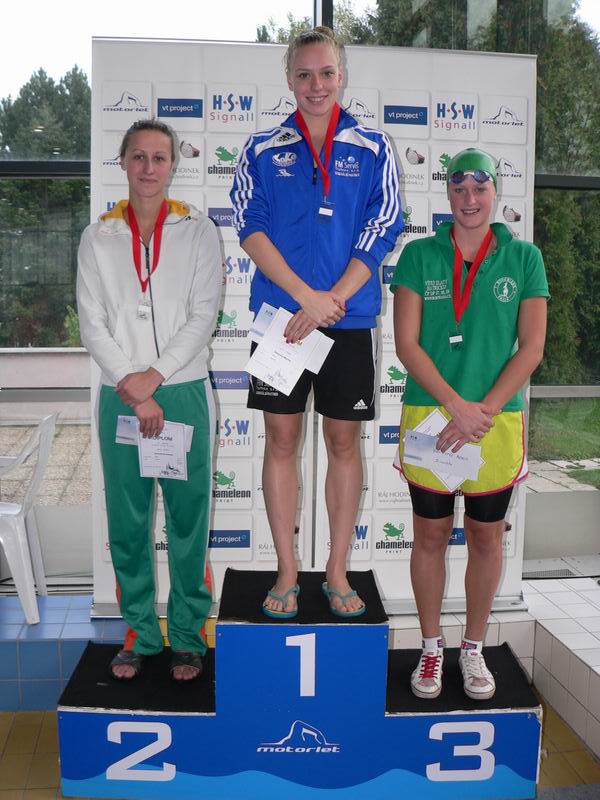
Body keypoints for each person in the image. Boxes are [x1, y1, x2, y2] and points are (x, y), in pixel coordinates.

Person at [230, 27, 402, 618]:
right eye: (304, 74)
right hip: (281, 320)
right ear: (289, 79)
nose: (316, 84)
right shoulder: (261, 147)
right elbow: (249, 224)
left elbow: (383, 225)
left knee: (342, 443)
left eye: (326, 72)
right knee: (280, 441)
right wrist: (306, 297)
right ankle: (286, 569)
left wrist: (332, 300)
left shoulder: (374, 146)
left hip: (347, 321)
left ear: (341, 75)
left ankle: (335, 569)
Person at [391, 148, 548, 700]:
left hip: (494, 421)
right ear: (448, 194)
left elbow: (531, 348)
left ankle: (473, 647)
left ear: (495, 193)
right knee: (430, 535)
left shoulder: (525, 257)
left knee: (485, 537)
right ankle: (431, 647)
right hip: (432, 415)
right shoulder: (418, 255)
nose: (469, 199)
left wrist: (480, 409)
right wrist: (456, 405)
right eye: (459, 189)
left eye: (479, 189)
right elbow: (406, 345)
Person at [77, 119, 222, 681]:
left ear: (173, 164)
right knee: (128, 521)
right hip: (120, 394)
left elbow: (203, 315)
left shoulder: (199, 231)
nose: (148, 167)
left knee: (189, 523)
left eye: (159, 157)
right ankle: (139, 631)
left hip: (182, 391)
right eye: (138, 156)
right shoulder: (98, 237)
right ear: (122, 161)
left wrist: (155, 377)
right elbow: (91, 323)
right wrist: (133, 386)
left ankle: (187, 635)